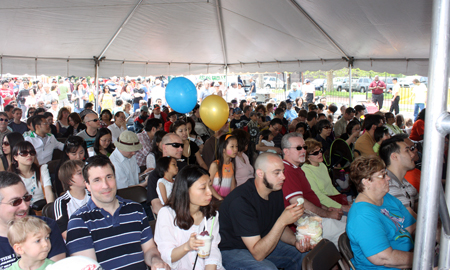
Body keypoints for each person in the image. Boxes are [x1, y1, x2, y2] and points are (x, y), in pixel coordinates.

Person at [66, 156, 168, 270]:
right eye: (97, 180)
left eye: (109, 177)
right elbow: (89, 267)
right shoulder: (79, 221)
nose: (106, 185)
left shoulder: (136, 209)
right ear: (87, 185)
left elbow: (149, 250)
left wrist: (156, 261)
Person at [219, 153, 310, 269]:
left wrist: (296, 241)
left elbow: (279, 228)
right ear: (260, 173)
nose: (283, 177)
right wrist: (282, 221)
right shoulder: (241, 201)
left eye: (283, 171)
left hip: (259, 241)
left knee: (304, 256)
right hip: (231, 249)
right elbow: (258, 254)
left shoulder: (274, 190)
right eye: (277, 173)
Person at [347, 156, 416, 269]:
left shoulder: (386, 198)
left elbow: (412, 227)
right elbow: (384, 258)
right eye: (382, 175)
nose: (388, 178)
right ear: (366, 182)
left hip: (409, 259)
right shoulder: (362, 216)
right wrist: (423, 260)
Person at [281, 133, 346, 246]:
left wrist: (327, 209)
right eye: (298, 148)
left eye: (304, 147)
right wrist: (327, 214)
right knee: (352, 231)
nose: (303, 151)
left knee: (352, 223)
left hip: (315, 216)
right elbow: (301, 203)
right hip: (307, 223)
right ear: (286, 151)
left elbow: (311, 198)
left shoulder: (296, 168)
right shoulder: (287, 171)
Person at [154, 165, 223, 269]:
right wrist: (187, 247)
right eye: (203, 188)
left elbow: (212, 249)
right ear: (185, 190)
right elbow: (166, 255)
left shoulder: (211, 215)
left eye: (210, 186)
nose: (209, 193)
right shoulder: (167, 214)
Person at [0, 171, 66, 269]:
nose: (24, 206)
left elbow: (57, 266)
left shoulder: (46, 226)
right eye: (15, 202)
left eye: (26, 197)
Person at [302, 138, 351, 211]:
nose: (320, 154)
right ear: (307, 157)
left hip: (332, 200)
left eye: (320, 151)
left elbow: (330, 187)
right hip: (323, 206)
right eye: (315, 153)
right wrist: (341, 207)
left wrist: (343, 200)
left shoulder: (322, 165)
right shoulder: (306, 170)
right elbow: (317, 195)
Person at [379, 136, 419, 218]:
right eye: (407, 151)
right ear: (394, 157)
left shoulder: (404, 183)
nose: (412, 154)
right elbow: (411, 223)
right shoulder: (388, 187)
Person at [147, 133, 185, 215]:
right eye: (176, 145)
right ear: (164, 147)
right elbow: (156, 206)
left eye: (182, 146)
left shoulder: (185, 168)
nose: (181, 149)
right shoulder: (155, 175)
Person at [53, 160, 89, 240]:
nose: (85, 175)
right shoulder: (61, 202)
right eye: (80, 173)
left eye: (85, 171)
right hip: (76, 242)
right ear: (68, 181)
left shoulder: (94, 195)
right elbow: (64, 232)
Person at [209, 134, 238, 201]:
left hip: (226, 200)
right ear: (223, 149)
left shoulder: (232, 165)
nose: (235, 149)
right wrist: (220, 198)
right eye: (232, 146)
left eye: (236, 146)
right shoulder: (215, 165)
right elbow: (209, 185)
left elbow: (232, 186)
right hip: (215, 200)